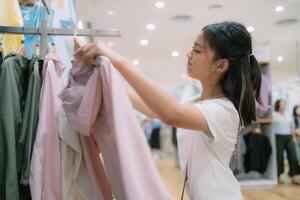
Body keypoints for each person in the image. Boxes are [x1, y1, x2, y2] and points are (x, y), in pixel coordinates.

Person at [74, 21, 262, 200]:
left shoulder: (225, 111)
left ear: (221, 65)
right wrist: (103, 75)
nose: (188, 55)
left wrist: (116, 60)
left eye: (197, 50)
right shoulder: (195, 102)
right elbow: (151, 108)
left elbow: (171, 114)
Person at [273, 99, 300, 184]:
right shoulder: (274, 114)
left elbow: (292, 127)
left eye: (284, 103)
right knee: (279, 156)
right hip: (278, 136)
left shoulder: (288, 115)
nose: (283, 105)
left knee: (293, 155)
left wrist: (294, 138)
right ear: (278, 105)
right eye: (281, 103)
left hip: (288, 136)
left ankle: (295, 174)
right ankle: (279, 176)